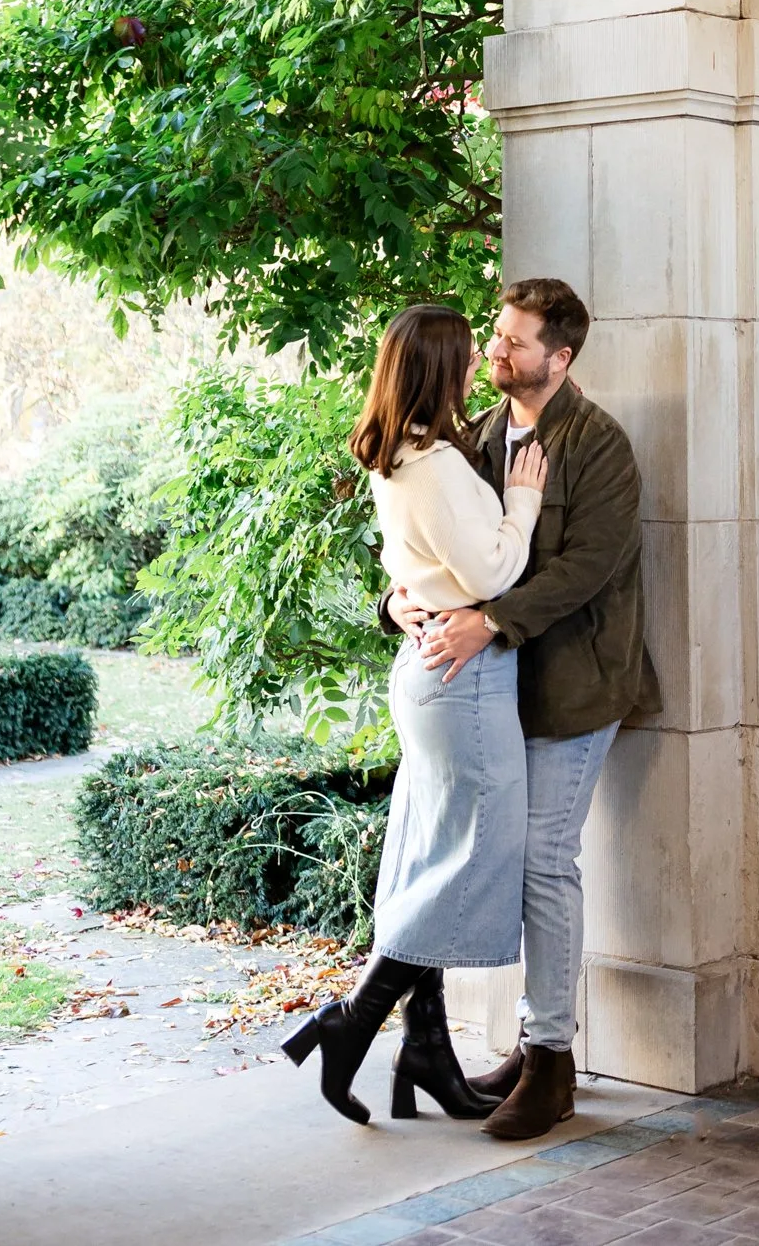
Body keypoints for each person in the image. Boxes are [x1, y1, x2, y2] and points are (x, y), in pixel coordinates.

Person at [387, 276, 659, 1143]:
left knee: (544, 860)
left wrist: (491, 622)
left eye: (512, 342)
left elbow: (590, 567)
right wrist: (397, 600)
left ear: (561, 356)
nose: (494, 353)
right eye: (494, 339)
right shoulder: (472, 436)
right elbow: (434, 541)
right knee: (495, 858)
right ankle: (512, 1041)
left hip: (575, 685)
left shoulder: (599, 443)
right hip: (490, 689)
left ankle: (551, 1061)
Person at [282, 303, 549, 1126]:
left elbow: (422, 570)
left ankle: (425, 1052)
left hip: (434, 668)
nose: (477, 367)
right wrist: (522, 500)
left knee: (433, 854)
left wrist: (405, 601)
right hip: (462, 679)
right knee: (468, 860)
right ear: (438, 370)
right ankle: (350, 1022)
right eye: (467, 357)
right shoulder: (432, 466)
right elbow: (492, 570)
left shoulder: (403, 455)